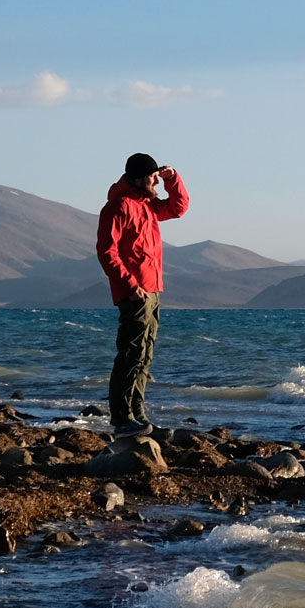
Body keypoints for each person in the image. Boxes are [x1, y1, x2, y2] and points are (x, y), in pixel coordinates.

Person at [96, 152, 190, 434]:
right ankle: (122, 418)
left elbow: (178, 207)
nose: (156, 183)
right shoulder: (118, 207)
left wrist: (173, 178)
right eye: (153, 178)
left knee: (144, 355)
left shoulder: (148, 205)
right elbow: (106, 252)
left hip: (152, 290)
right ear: (138, 178)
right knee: (131, 354)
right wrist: (130, 285)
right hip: (135, 293)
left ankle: (138, 414)